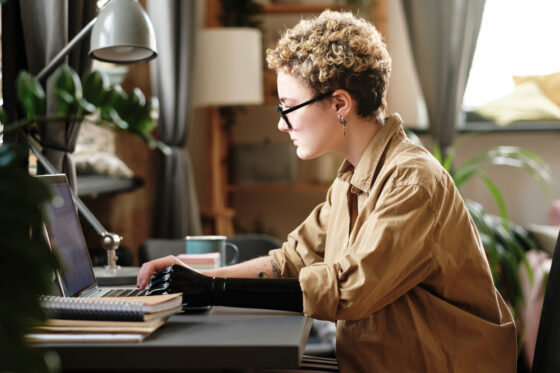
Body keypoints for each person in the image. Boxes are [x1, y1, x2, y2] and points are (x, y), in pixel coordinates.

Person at [137, 10, 516, 372]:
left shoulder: (411, 182)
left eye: (288, 107)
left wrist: (211, 289)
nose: (283, 125)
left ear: (339, 104)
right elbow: (291, 260)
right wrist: (195, 275)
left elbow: (348, 289)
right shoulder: (352, 179)